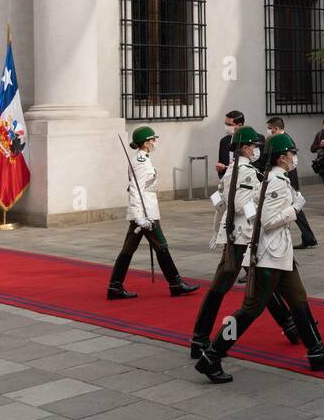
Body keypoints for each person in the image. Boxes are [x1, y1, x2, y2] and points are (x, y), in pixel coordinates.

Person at [194, 132, 324, 382]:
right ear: (282, 157)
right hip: (269, 255)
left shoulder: (272, 179)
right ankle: (212, 355)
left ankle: (317, 351)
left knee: (299, 300)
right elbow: (268, 221)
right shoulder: (275, 182)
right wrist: (294, 208)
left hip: (281, 253)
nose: (294, 158)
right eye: (292, 154)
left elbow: (253, 210)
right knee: (249, 311)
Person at [190, 125, 299, 359]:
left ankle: (290, 326)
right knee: (224, 288)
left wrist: (219, 227)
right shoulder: (246, 172)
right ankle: (200, 339)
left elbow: (218, 199)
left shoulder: (232, 169)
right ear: (245, 148)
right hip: (243, 236)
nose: (256, 151)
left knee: (261, 286)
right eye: (254, 147)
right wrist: (257, 216)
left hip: (236, 234)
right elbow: (239, 204)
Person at [107, 126, 199, 300]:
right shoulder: (141, 162)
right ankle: (176, 283)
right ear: (146, 142)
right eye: (152, 140)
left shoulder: (143, 159)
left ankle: (115, 286)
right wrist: (140, 216)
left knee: (128, 250)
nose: (154, 143)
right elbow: (135, 189)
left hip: (144, 213)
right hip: (146, 215)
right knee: (161, 246)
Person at [263, 118, 317, 248]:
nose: (268, 131)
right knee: (295, 209)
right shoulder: (278, 139)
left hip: (287, 179)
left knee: (296, 209)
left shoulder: (286, 140)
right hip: (282, 178)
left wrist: (290, 182)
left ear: (275, 128)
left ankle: (309, 237)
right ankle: (309, 237)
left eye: (270, 128)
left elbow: (293, 163)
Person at [215, 110, 245, 178]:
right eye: (225, 124)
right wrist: (219, 169)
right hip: (227, 181)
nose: (226, 127)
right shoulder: (224, 141)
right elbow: (221, 162)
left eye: (229, 125)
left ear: (240, 125)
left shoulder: (251, 141)